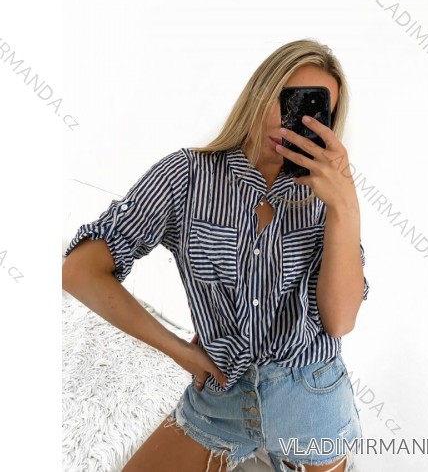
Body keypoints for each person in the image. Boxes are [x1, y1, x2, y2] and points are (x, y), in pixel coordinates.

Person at [62, 38, 370, 472]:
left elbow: (339, 321)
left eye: (314, 110)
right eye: (287, 99)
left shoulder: (329, 197)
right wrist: (179, 351)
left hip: (311, 399)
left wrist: (345, 208)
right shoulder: (185, 176)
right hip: (222, 394)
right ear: (259, 92)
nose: (295, 120)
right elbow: (79, 271)